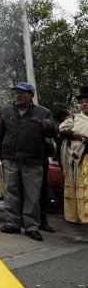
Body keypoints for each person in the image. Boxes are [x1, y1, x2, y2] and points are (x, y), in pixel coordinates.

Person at [0, 82, 56, 241]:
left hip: (33, 160)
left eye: (23, 93)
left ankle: (31, 226)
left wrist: (44, 125)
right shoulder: (6, 111)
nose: (19, 95)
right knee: (11, 191)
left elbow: (54, 132)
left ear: (31, 95)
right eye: (17, 93)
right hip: (11, 158)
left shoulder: (43, 112)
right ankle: (12, 223)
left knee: (32, 195)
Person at [59, 86, 88, 224]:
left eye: (87, 101)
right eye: (83, 101)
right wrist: (76, 135)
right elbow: (62, 130)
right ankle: (78, 215)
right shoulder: (75, 118)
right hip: (79, 159)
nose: (85, 103)